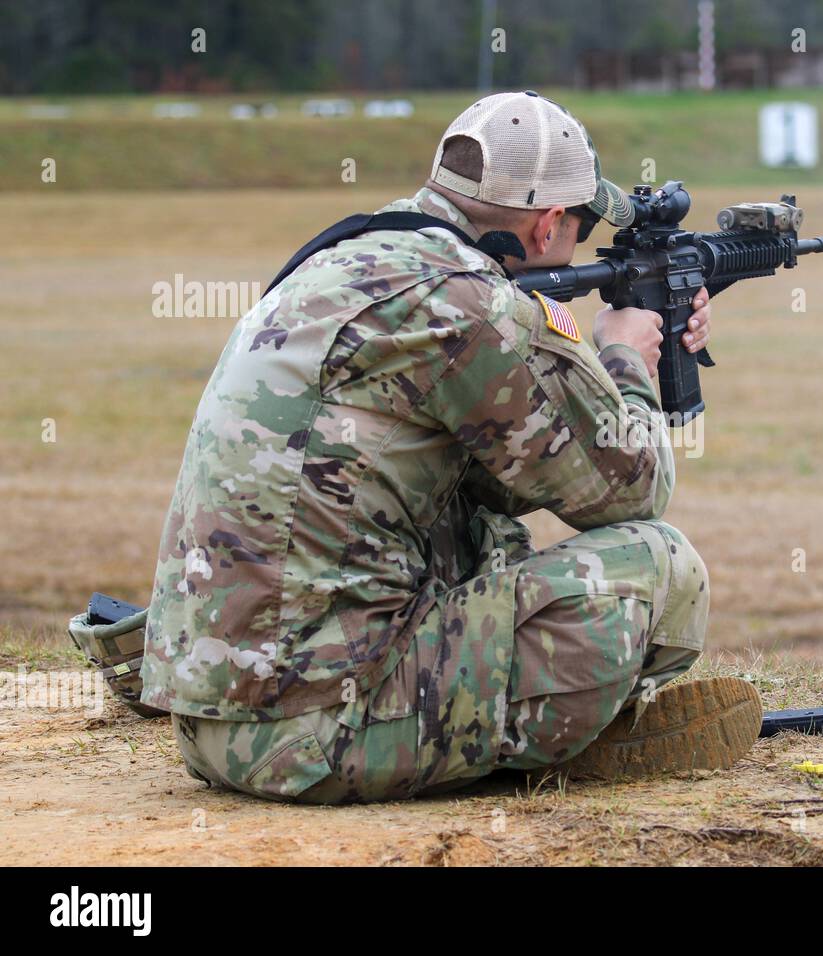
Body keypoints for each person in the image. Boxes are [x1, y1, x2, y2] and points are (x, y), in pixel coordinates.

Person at [139, 90, 761, 803]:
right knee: (664, 566)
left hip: (210, 720)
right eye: (582, 226)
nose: (580, 244)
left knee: (491, 535)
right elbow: (632, 488)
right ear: (549, 222)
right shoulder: (472, 304)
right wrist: (624, 360)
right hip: (314, 738)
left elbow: (504, 474)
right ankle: (556, 741)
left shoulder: (349, 259)